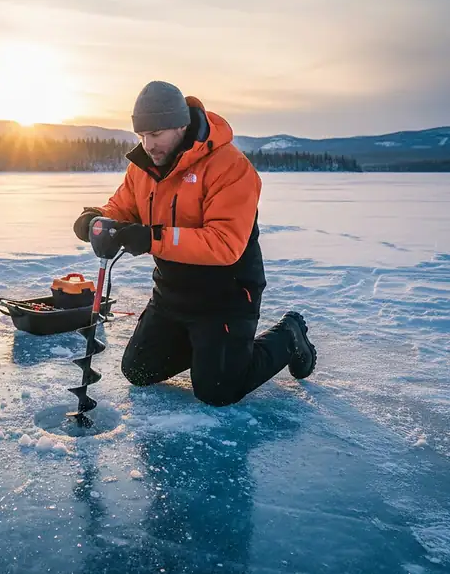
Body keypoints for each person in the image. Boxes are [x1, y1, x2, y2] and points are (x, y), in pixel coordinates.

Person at [73, 80, 316, 406]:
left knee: (217, 391)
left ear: (180, 126)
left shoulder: (229, 167)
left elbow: (225, 243)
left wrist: (151, 237)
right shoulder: (143, 168)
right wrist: (97, 218)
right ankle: (206, 349)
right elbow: (124, 207)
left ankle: (288, 336)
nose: (148, 145)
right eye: (142, 136)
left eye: (156, 134)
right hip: (172, 295)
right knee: (139, 371)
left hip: (225, 297)